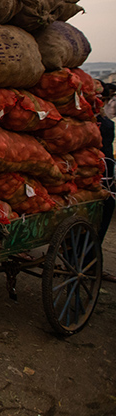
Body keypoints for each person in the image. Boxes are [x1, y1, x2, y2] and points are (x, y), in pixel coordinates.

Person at [98, 83, 116, 282]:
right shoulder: (102, 123)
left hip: (94, 174)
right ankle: (90, 259)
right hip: (99, 177)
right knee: (106, 206)